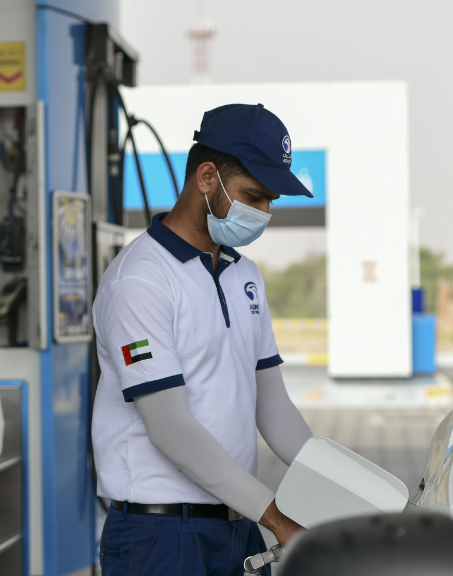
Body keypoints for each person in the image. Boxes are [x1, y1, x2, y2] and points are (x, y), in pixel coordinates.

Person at [92, 103, 314, 576]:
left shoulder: (244, 275)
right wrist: (276, 517)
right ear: (207, 178)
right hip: (159, 537)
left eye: (270, 201)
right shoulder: (140, 280)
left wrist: (355, 489)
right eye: (254, 196)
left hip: (239, 525)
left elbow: (273, 408)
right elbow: (169, 427)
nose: (264, 213)